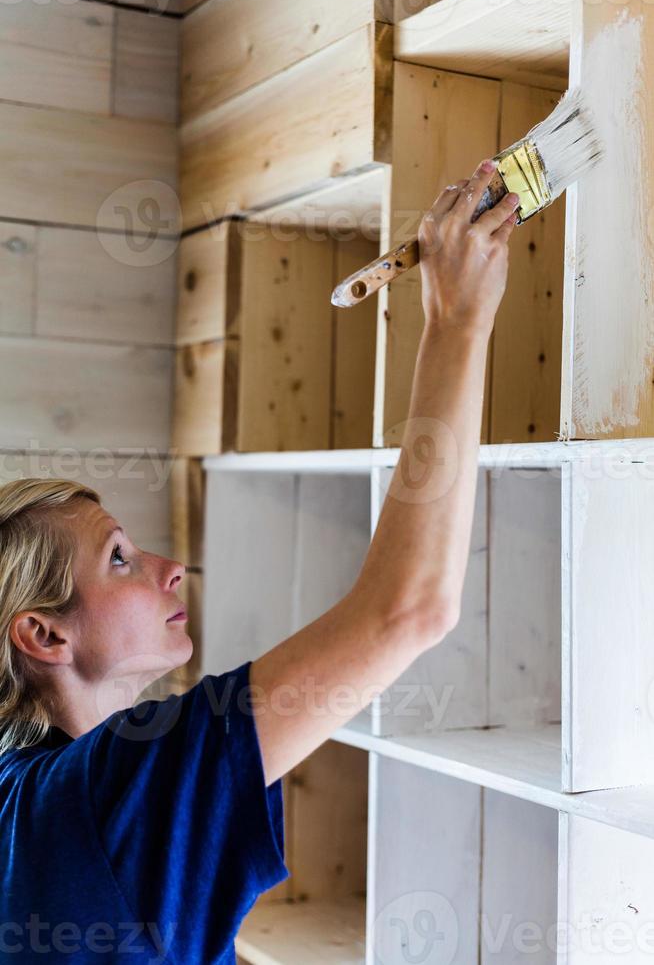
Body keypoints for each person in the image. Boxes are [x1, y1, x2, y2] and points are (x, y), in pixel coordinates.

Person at [0, 159, 519, 963]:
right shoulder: (118, 790)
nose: (171, 567)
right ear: (42, 635)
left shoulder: (21, 791)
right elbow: (410, 608)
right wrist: (457, 319)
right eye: (120, 559)